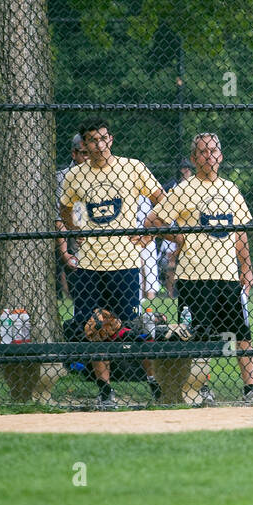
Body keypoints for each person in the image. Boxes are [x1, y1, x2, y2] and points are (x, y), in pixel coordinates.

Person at [147, 132, 253, 404]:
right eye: (202, 152)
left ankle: (250, 387)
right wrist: (178, 237)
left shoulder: (230, 188)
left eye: (213, 151)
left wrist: (246, 268)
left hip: (226, 275)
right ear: (194, 158)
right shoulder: (184, 189)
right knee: (197, 335)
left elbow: (240, 233)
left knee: (240, 333)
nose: (209, 156)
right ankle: (201, 389)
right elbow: (153, 220)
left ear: (221, 156)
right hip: (194, 276)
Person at [59, 118, 166, 409]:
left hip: (125, 262)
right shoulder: (75, 176)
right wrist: (77, 231)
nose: (99, 145)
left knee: (134, 324)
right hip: (89, 264)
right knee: (94, 327)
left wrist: (148, 230)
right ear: (84, 145)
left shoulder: (132, 167)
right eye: (92, 140)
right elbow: (66, 209)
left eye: (104, 138)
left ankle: (153, 381)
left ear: (111, 139)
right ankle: (105, 390)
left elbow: (162, 200)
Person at [55, 134, 87, 300]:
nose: (89, 157)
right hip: (75, 241)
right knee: (81, 296)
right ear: (74, 154)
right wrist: (65, 252)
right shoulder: (63, 177)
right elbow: (58, 218)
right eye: (84, 153)